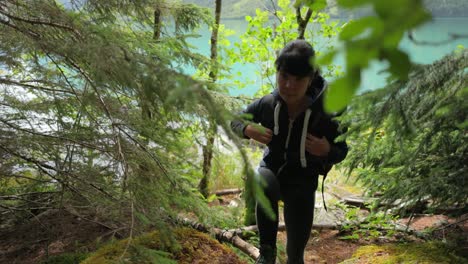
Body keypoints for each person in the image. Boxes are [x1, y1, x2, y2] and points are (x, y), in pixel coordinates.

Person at [231, 39, 348, 264]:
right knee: (262, 180)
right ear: (277, 73)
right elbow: (235, 120)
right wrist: (247, 129)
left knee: (295, 256)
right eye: (284, 77)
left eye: (298, 80)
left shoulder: (329, 111)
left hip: (303, 181)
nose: (289, 86)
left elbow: (342, 150)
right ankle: (267, 252)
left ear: (311, 78)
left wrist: (327, 150)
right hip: (272, 172)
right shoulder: (267, 104)